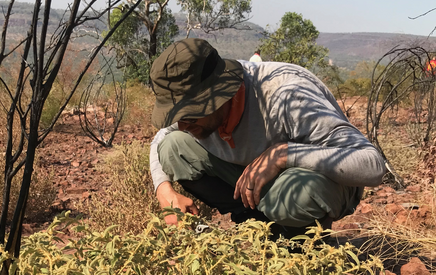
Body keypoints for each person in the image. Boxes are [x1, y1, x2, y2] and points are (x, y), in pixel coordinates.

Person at [149, 38, 386, 236]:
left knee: (299, 192)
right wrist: (163, 190)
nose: (182, 124)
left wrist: (284, 154)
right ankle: (258, 227)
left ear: (221, 95)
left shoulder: (289, 96)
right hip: (256, 182)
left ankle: (302, 239)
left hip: (313, 183)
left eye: (191, 115)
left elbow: (372, 165)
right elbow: (161, 138)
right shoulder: (190, 110)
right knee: (172, 146)